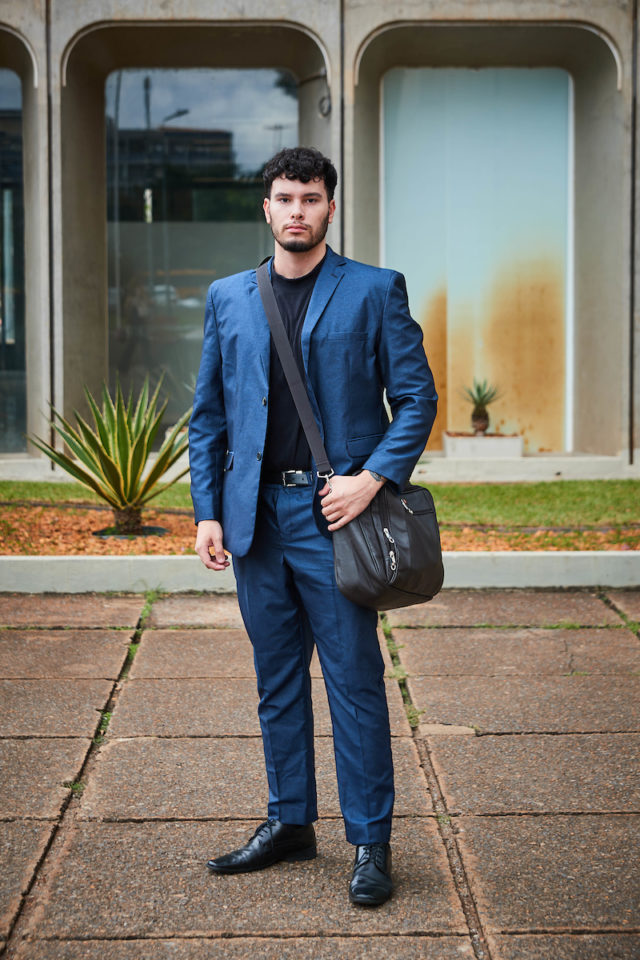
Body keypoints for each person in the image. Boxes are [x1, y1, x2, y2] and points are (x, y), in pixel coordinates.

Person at [189, 146, 437, 906]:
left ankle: (371, 842)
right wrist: (206, 511)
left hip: (336, 518)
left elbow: (417, 401)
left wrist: (370, 481)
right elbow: (209, 417)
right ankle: (290, 822)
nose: (297, 211)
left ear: (331, 208)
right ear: (266, 208)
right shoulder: (229, 297)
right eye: (285, 198)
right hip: (254, 519)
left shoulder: (373, 291)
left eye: (311, 199)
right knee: (276, 681)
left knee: (355, 683)